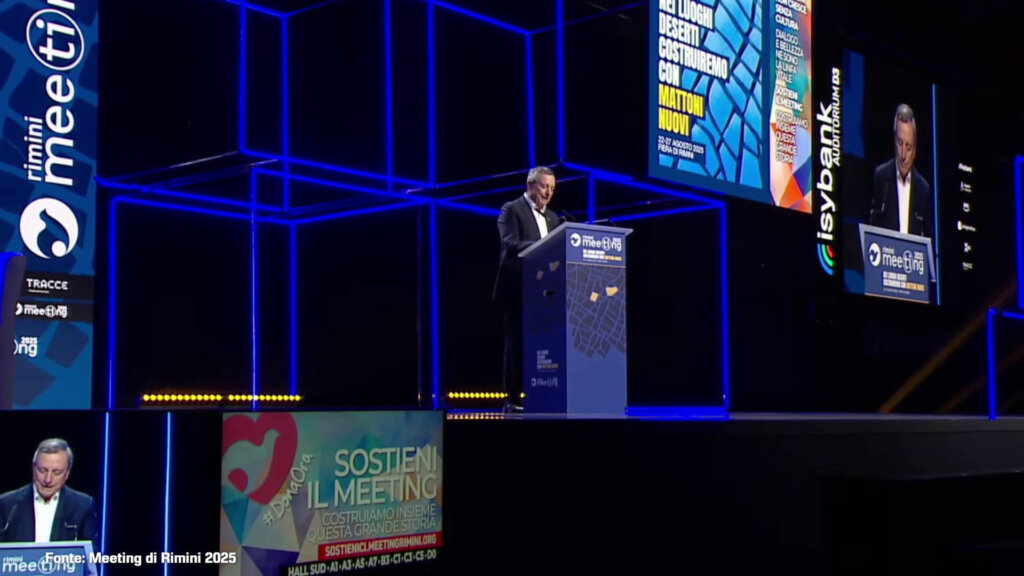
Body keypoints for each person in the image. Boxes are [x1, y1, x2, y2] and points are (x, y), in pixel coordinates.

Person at [493, 166, 562, 412]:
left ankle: (544, 392)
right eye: (544, 186)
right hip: (517, 287)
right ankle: (513, 397)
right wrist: (543, 245)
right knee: (516, 343)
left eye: (552, 188)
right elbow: (510, 243)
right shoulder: (511, 209)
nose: (548, 192)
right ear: (530, 185)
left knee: (545, 342)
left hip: (545, 292)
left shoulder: (554, 218)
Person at [0, 438, 98, 552]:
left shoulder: (83, 506)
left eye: (56, 472)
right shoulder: (7, 505)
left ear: (67, 473)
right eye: (42, 470)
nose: (48, 479)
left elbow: (91, 555)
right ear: (33, 468)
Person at [868, 103, 933, 238]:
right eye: (899, 143)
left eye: (908, 147)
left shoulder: (923, 189)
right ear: (894, 140)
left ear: (915, 149)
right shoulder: (881, 177)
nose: (903, 155)